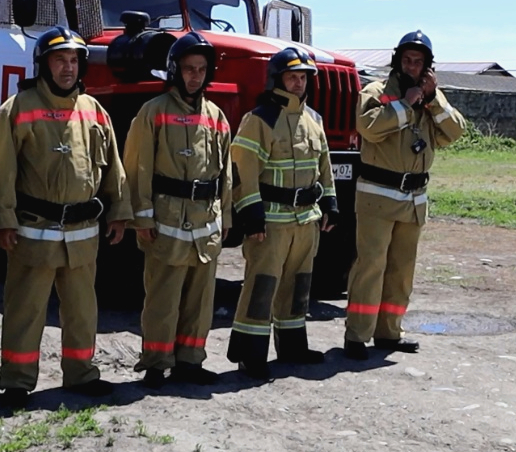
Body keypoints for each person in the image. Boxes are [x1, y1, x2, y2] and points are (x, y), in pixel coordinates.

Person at [0, 26, 130, 406]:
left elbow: (113, 167)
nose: (67, 68)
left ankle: (81, 375)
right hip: (35, 229)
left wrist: (119, 212)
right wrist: (2, 219)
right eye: (59, 59)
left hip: (84, 232)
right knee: (25, 309)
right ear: (43, 64)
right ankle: (17, 382)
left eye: (73, 60)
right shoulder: (18, 108)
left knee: (83, 310)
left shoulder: (94, 111)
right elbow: (1, 169)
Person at [344, 30, 465, 360]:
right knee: (371, 266)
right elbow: (367, 126)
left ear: (427, 67)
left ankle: (389, 333)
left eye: (419, 62)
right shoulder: (376, 91)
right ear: (398, 61)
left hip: (413, 199)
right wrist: (404, 103)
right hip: (378, 195)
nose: (412, 66)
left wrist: (433, 98)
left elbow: (455, 132)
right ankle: (357, 335)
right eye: (408, 60)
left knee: (402, 270)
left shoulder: (430, 99)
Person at [122, 32, 233, 388]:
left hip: (205, 224)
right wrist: (141, 217)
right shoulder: (153, 112)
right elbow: (136, 168)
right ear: (174, 70)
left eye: (201, 70)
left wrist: (225, 217)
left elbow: (226, 173)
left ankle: (191, 362)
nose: (195, 76)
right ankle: (156, 364)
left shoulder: (216, 117)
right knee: (163, 299)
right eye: (188, 69)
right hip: (166, 222)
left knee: (200, 302)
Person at [226, 47, 337, 379]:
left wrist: (330, 203)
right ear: (277, 79)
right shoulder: (258, 120)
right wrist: (251, 215)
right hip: (271, 222)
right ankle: (250, 354)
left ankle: (293, 347)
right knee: (262, 287)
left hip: (306, 220)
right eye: (292, 77)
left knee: (298, 285)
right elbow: (242, 171)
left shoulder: (314, 120)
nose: (298, 83)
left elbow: (324, 167)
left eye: (303, 77)